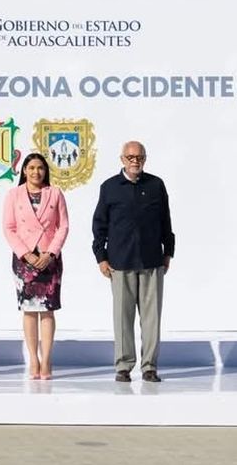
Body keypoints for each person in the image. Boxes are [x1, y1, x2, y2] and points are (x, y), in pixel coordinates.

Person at [92, 141, 174, 383]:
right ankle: (123, 366)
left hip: (151, 261)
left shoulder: (156, 185)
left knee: (152, 318)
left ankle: (149, 367)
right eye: (130, 157)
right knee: (122, 318)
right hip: (120, 261)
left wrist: (168, 252)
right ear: (122, 159)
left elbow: (166, 221)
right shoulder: (109, 187)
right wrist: (101, 257)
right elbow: (99, 225)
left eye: (139, 157)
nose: (134, 160)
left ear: (145, 159)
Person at [2, 153, 69, 380]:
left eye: (40, 168)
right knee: (29, 310)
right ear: (24, 171)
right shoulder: (13, 195)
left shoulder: (56, 193)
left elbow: (63, 226)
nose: (36, 172)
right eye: (31, 168)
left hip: (50, 258)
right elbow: (9, 228)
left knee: (48, 310)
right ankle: (33, 359)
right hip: (24, 260)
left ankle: (47, 359)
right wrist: (26, 254)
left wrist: (50, 253)